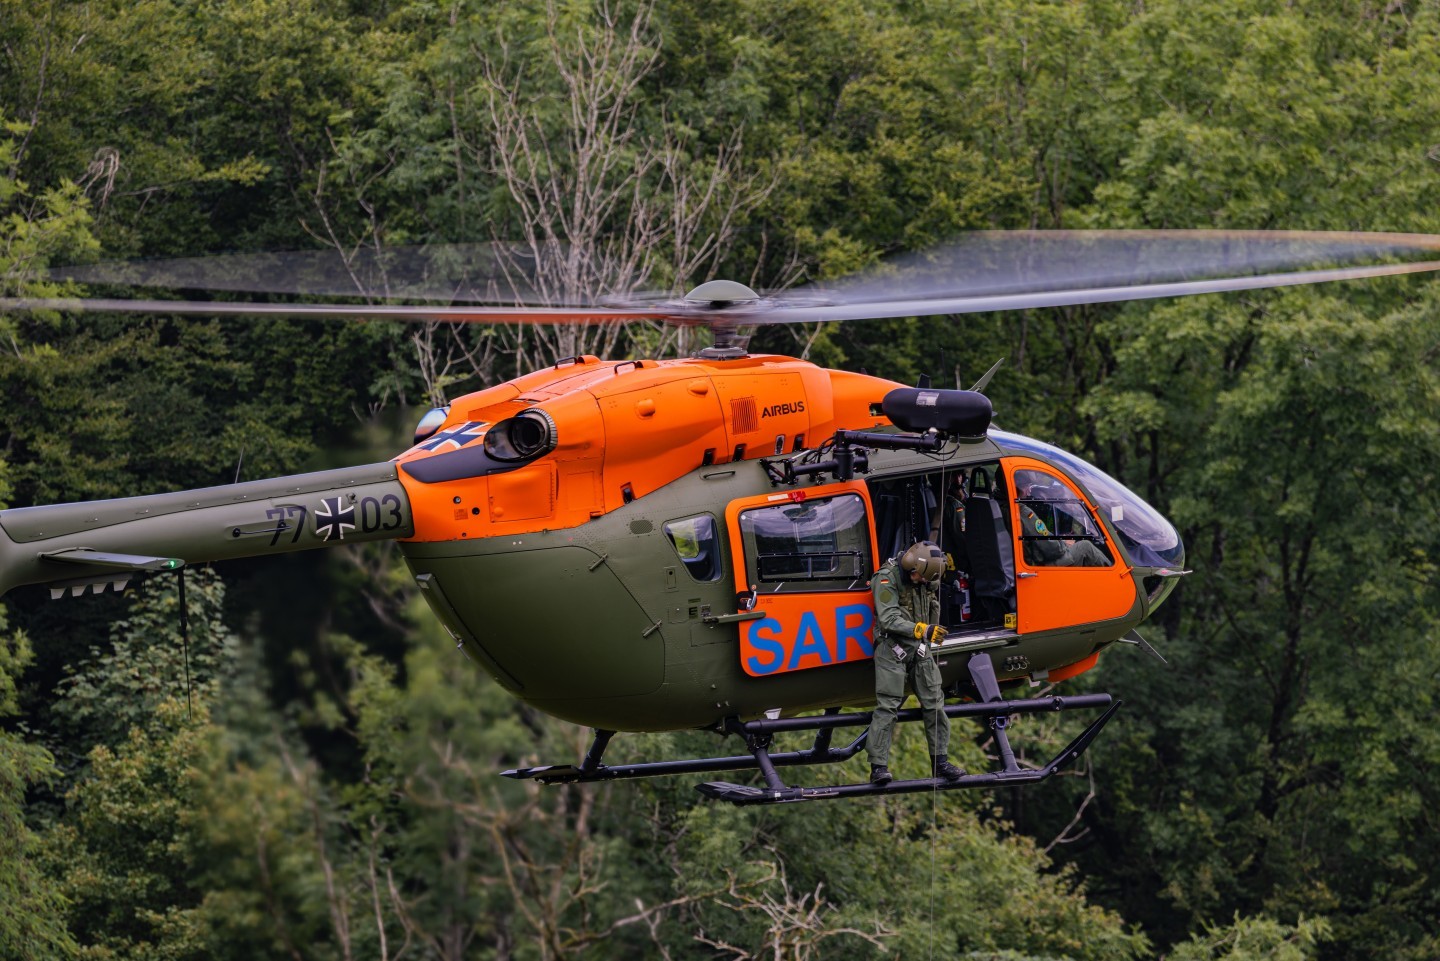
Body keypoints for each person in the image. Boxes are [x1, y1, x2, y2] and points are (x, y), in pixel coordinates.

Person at [866, 541, 966, 785]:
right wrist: (922, 629)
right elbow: (888, 618)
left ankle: (940, 761)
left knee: (935, 704)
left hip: (920, 648)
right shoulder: (886, 578)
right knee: (888, 706)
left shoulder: (926, 577)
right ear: (911, 568)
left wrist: (929, 632)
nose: (923, 583)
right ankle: (878, 767)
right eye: (921, 578)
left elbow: (931, 600)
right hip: (892, 648)